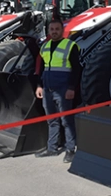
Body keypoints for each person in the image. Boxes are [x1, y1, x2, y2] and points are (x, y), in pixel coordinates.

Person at [34, 19, 82, 163]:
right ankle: (52, 148)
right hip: (47, 88)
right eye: (52, 29)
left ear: (62, 31)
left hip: (63, 89)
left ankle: (70, 150)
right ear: (48, 31)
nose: (54, 31)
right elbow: (41, 69)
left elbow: (77, 69)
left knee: (66, 120)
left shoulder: (70, 46)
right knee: (52, 120)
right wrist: (39, 86)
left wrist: (71, 88)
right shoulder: (45, 46)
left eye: (57, 29)